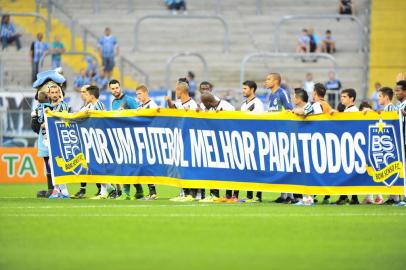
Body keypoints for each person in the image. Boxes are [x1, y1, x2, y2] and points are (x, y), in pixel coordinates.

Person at [108, 79, 143, 200]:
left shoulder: (128, 100)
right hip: (120, 137)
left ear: (120, 87)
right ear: (110, 89)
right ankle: (139, 191)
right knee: (128, 166)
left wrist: (127, 112)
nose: (115, 90)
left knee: (126, 166)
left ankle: (126, 193)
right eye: (112, 88)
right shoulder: (113, 102)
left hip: (131, 138)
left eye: (117, 88)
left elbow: (140, 113)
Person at [198, 92, 235, 203]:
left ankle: (229, 195)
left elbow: (236, 122)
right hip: (215, 143)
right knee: (214, 169)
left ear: (209, 102)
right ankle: (214, 194)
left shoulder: (228, 107)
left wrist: (223, 116)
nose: (205, 107)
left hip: (228, 142)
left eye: (205, 105)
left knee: (229, 170)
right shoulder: (210, 109)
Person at [166, 80, 198, 202]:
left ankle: (192, 193)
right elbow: (173, 110)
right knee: (181, 166)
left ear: (180, 91)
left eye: (177, 90)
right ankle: (185, 192)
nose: (176, 92)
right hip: (180, 139)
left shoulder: (193, 105)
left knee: (189, 166)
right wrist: (169, 102)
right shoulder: (179, 103)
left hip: (190, 139)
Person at [236, 80, 264, 203]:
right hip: (245, 140)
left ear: (252, 89)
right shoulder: (243, 105)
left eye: (245, 88)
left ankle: (258, 196)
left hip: (256, 140)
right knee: (248, 168)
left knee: (256, 168)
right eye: (243, 89)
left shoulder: (258, 103)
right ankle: (249, 195)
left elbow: (260, 121)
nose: (243, 91)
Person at [333, 88, 360, 205]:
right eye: (341, 96)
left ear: (351, 98)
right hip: (347, 144)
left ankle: (346, 197)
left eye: (344, 97)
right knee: (348, 172)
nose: (341, 99)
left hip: (351, 145)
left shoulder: (353, 111)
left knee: (348, 171)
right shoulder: (347, 110)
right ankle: (351, 197)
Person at [135, 85, 158, 200]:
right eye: (137, 94)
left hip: (151, 140)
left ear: (145, 93)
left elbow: (155, 120)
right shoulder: (141, 106)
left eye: (139, 94)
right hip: (143, 140)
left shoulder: (152, 105)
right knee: (144, 166)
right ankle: (151, 192)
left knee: (148, 166)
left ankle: (153, 193)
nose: (138, 96)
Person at [394, 77, 406, 206]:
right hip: (402, 141)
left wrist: (401, 113)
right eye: (395, 90)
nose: (396, 93)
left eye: (399, 90)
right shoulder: (400, 104)